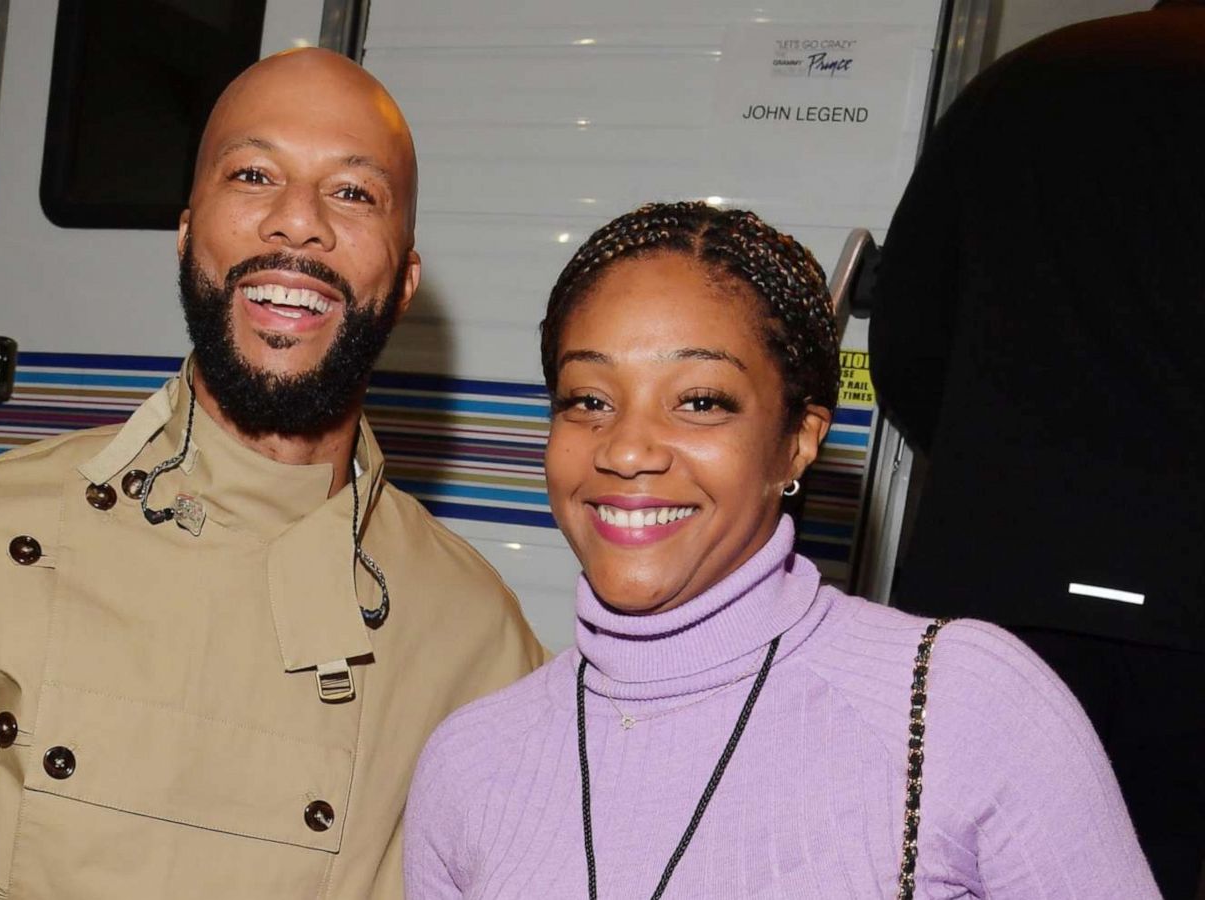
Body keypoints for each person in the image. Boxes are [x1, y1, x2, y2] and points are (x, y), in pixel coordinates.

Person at [0, 48, 543, 900]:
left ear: (402, 282)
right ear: (185, 235)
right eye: (253, 175)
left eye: (353, 193)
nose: (297, 222)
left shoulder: (477, 638)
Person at [403, 201, 1158, 899]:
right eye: (588, 400)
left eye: (700, 401)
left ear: (797, 443)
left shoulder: (962, 704)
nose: (627, 449)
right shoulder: (470, 763)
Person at [868, 5, 1205, 896]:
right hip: (1178, 616)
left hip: (986, 584)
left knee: (937, 860)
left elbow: (904, 340)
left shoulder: (1019, 81)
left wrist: (993, 473)